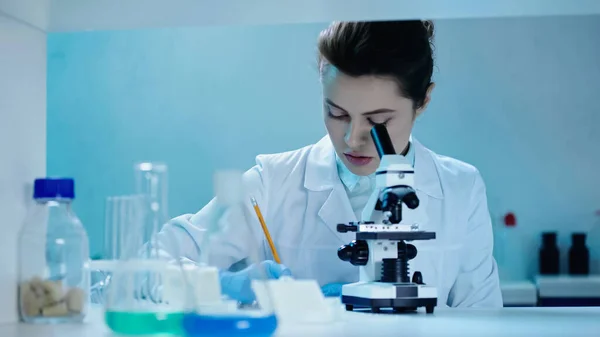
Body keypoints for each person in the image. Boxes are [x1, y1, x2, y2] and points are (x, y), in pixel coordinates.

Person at [152, 20, 503, 308]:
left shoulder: (460, 188)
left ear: (423, 101)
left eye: (378, 122)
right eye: (336, 113)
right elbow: (147, 267)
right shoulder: (273, 182)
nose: (352, 138)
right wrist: (224, 285)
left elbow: (486, 322)